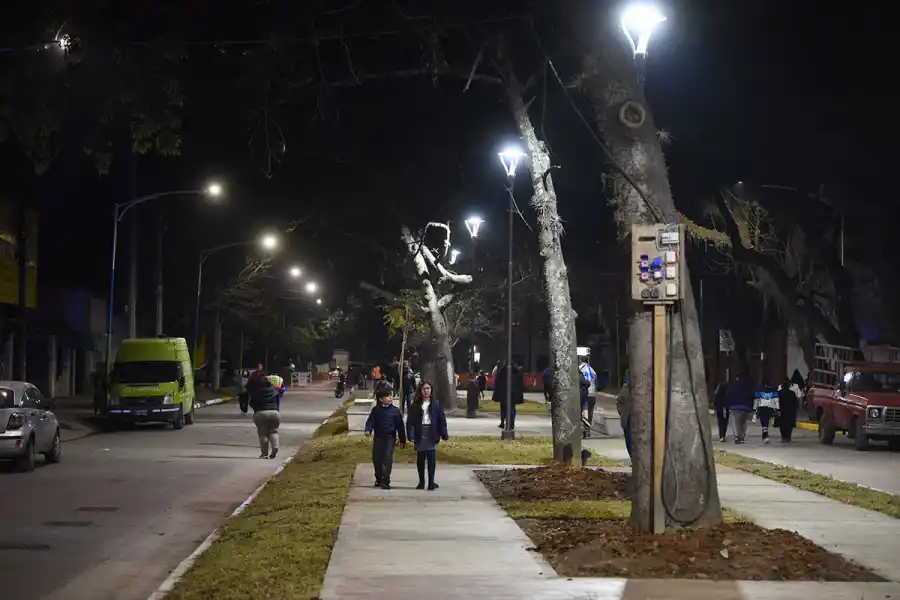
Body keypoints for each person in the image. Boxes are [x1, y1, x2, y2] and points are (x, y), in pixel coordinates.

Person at [406, 380, 449, 490]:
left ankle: (431, 482)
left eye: (428, 388)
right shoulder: (415, 404)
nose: (426, 391)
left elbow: (441, 419)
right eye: (424, 389)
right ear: (420, 391)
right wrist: (410, 434)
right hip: (420, 432)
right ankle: (421, 482)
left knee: (431, 459)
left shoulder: (436, 403)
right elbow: (410, 421)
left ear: (431, 390)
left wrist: (444, 433)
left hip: (432, 432)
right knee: (420, 459)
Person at [364, 382, 406, 489]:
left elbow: (400, 426)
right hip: (378, 437)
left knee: (387, 458)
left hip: (390, 438)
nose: (390, 398)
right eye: (387, 396)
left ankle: (386, 480)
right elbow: (370, 422)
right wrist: (368, 430)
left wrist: (402, 440)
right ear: (381, 399)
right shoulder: (376, 410)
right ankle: (378, 478)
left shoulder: (395, 411)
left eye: (391, 395)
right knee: (377, 459)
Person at [242, 371, 281, 459]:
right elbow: (277, 398)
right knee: (274, 431)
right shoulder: (272, 388)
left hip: (260, 413)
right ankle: (275, 447)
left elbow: (250, 400)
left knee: (263, 434)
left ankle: (264, 453)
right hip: (274, 412)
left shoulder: (253, 389)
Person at [726, 372, 754, 444]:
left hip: (734, 406)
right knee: (743, 421)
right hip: (746, 407)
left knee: (735, 421)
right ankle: (742, 436)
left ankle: (737, 436)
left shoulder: (733, 385)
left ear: (737, 378)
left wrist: (727, 404)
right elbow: (752, 395)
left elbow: (729, 395)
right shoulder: (748, 386)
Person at [777, 378, 799, 442]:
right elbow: (796, 403)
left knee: (782, 425)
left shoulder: (779, 393)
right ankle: (788, 437)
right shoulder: (792, 393)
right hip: (790, 411)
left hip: (782, 411)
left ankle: (783, 436)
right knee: (789, 425)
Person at [617, 373, 632, 457]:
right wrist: (621, 411)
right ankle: (632, 458)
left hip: (638, 420)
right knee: (628, 440)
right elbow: (619, 401)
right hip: (627, 418)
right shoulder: (625, 388)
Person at [579, 357, 598, 426]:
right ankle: (588, 429)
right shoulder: (593, 371)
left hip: (584, 394)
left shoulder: (579, 370)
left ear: (580, 360)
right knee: (590, 412)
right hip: (592, 395)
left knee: (582, 412)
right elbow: (596, 383)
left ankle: (582, 428)